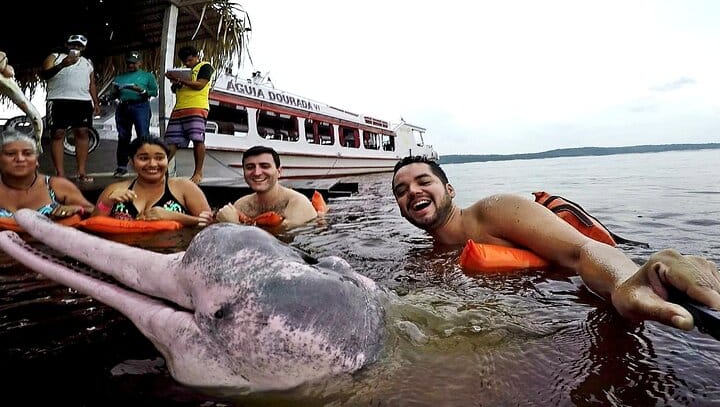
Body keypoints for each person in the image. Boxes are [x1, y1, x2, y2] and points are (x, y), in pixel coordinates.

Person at [391, 156, 720, 332]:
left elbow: (582, 251)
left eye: (423, 181)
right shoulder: (423, 258)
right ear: (401, 208)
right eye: (401, 191)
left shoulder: (495, 211)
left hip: (595, 286)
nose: (413, 192)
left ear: (449, 190)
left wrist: (624, 281)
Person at [94, 135, 211, 227]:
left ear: (167, 160)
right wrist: (107, 203)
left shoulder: (184, 188)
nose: (152, 164)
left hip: (172, 249)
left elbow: (211, 225)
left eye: (159, 158)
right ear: (132, 161)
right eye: (144, 158)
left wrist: (175, 217)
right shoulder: (115, 190)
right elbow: (92, 225)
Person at [40, 34, 100, 183]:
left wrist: (96, 102)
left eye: (79, 46)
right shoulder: (55, 57)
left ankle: (81, 172)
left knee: (82, 132)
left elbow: (91, 83)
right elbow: (44, 75)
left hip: (83, 101)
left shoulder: (87, 62)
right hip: (58, 100)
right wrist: (62, 65)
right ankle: (60, 174)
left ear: (83, 48)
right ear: (67, 45)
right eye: (73, 44)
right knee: (58, 133)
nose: (76, 47)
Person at [212, 145, 317, 228]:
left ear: (279, 172)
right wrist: (211, 221)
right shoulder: (241, 205)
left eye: (265, 166)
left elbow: (282, 239)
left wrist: (234, 225)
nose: (257, 173)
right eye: (250, 167)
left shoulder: (297, 203)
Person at [0, 130, 94, 219]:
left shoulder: (57, 185)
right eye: (10, 154)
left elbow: (96, 212)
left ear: (36, 160)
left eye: (27, 153)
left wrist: (79, 209)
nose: (20, 159)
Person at [164, 46, 215, 184]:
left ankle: (198, 172)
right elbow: (174, 89)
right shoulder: (183, 71)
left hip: (197, 107)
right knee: (171, 141)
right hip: (179, 108)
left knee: (197, 139)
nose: (187, 63)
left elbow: (200, 85)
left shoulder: (205, 67)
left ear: (197, 56)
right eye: (185, 61)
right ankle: (161, 169)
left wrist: (180, 80)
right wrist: (175, 81)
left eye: (190, 60)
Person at [112, 51, 158, 177]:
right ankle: (121, 166)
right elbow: (114, 94)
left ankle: (146, 165)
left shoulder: (147, 76)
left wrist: (142, 90)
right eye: (129, 63)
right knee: (123, 137)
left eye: (134, 63)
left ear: (140, 63)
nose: (131, 65)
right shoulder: (120, 77)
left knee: (143, 136)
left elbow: (154, 92)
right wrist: (114, 92)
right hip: (123, 106)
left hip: (140, 105)